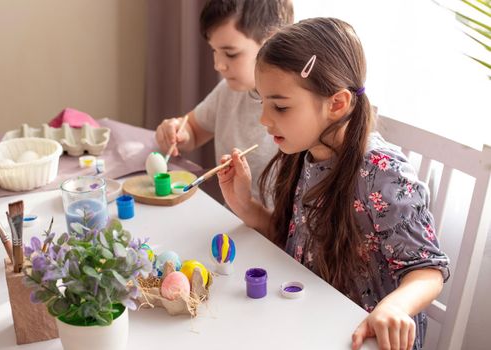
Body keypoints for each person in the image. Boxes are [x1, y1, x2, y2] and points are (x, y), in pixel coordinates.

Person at [217, 17, 450, 350]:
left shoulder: (382, 171)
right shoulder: (305, 150)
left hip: (362, 336)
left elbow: (428, 270)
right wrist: (244, 205)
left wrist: (396, 306)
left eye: (280, 106)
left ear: (337, 104)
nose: (265, 120)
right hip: (308, 317)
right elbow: (295, 240)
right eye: (263, 103)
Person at [155, 0, 293, 201]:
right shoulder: (228, 91)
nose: (218, 65)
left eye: (231, 54)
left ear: (272, 42)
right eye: (214, 51)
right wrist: (178, 131)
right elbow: (193, 129)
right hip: (230, 222)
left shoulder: (295, 109)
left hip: (272, 230)